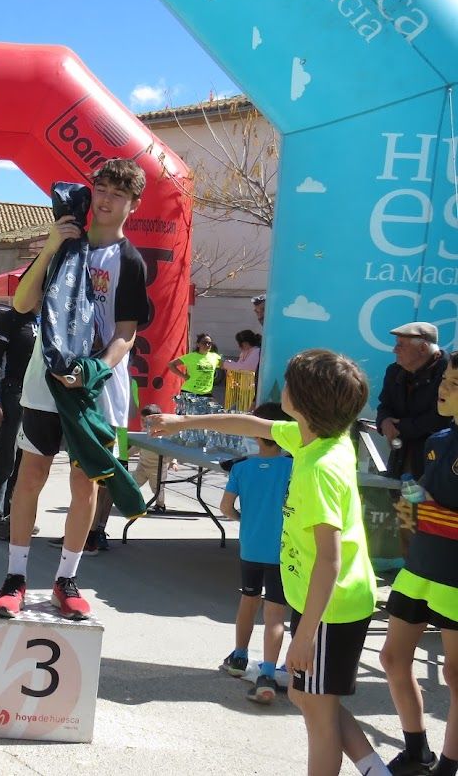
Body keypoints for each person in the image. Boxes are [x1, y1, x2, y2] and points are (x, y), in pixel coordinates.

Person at [149, 349, 385, 776]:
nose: (284, 390)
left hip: (330, 608)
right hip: (324, 602)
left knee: (315, 712)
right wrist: (184, 422)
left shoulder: (318, 469)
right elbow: (251, 424)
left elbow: (329, 561)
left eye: (290, 385)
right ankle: (377, 770)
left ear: (304, 403)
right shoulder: (318, 437)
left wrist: (305, 635)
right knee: (310, 698)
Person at [0, 157, 150, 620]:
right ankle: (15, 576)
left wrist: (94, 371)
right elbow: (22, 304)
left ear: (132, 205)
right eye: (101, 188)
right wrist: (50, 247)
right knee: (31, 477)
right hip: (45, 381)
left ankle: (67, 579)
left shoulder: (130, 261)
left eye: (118, 194)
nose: (105, 199)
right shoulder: (64, 244)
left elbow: (126, 333)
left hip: (96, 387)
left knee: (86, 485)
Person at [379, 351, 458, 776]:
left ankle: (449, 766)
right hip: (419, 570)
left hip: (455, 579)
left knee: (455, 676)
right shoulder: (438, 440)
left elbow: (432, 512)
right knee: (392, 659)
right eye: (445, 380)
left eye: (454, 385)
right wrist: (410, 508)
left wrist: (423, 510)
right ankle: (417, 753)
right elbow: (416, 511)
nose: (443, 389)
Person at [217, 402, 294, 706]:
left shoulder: (241, 467)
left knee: (248, 601)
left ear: (257, 434)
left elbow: (225, 508)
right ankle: (268, 673)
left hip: (250, 547)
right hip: (282, 551)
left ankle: (238, 658)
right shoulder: (294, 467)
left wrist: (243, 521)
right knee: (275, 613)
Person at [0, 307, 38, 540]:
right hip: (12, 392)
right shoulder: (10, 318)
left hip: (37, 397)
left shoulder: (48, 317)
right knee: (6, 456)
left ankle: (12, 515)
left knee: (26, 458)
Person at [377, 321, 448, 480]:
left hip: (437, 466)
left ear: (423, 348)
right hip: (400, 462)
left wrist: (399, 428)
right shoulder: (394, 370)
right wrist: (384, 421)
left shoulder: (449, 373)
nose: (395, 350)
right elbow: (384, 405)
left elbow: (443, 417)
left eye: (401, 345)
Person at [131, 403, 178, 513]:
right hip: (142, 466)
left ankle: (160, 505)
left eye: (147, 421)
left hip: (158, 468)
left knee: (157, 489)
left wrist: (173, 461)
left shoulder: (163, 434)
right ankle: (132, 502)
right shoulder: (143, 433)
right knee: (133, 483)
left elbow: (171, 450)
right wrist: (126, 455)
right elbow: (136, 447)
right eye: (142, 420)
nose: (143, 423)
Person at [169, 333, 222, 397]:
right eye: (204, 343)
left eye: (209, 343)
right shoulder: (191, 356)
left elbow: (225, 366)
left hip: (206, 393)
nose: (207, 345)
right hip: (189, 392)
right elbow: (171, 364)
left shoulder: (215, 357)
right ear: (198, 344)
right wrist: (183, 376)